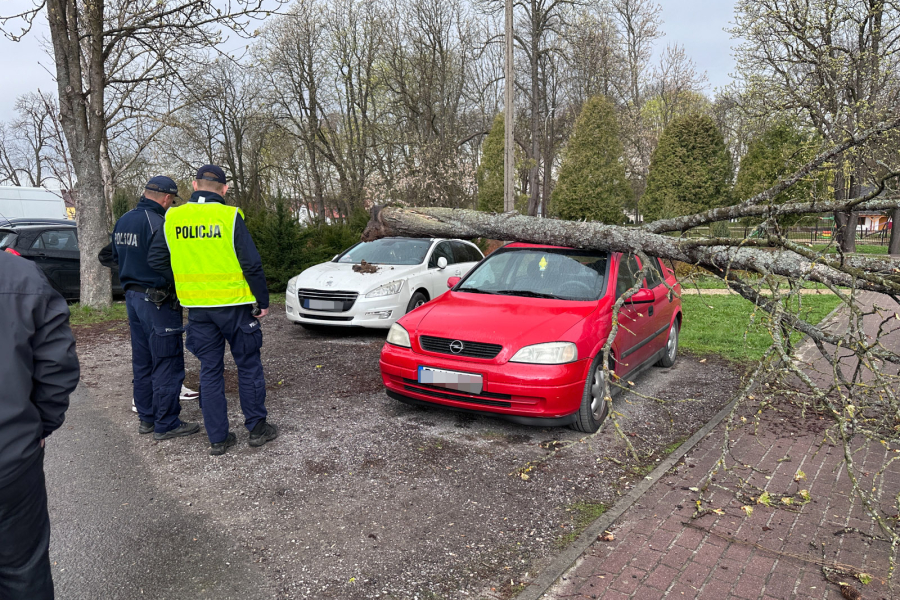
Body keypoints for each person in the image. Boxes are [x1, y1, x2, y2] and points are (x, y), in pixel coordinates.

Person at [148, 165, 277, 455]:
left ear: (194, 185)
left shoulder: (173, 216)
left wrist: (183, 279)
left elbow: (156, 258)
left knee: (210, 369)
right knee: (248, 366)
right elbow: (252, 264)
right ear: (225, 189)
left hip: (198, 309)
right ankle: (257, 429)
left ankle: (218, 438)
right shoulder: (230, 216)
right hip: (235, 307)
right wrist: (263, 300)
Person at [0, 250, 79, 599]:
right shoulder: (20, 276)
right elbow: (57, 367)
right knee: (22, 574)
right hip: (10, 457)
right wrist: (39, 427)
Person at [106, 176, 200, 441]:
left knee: (143, 360)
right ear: (167, 198)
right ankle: (167, 422)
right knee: (167, 361)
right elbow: (168, 261)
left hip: (133, 299)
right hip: (158, 301)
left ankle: (146, 418)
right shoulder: (159, 223)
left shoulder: (124, 220)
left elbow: (112, 256)